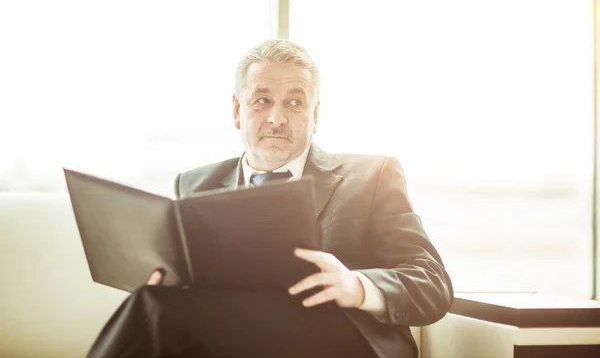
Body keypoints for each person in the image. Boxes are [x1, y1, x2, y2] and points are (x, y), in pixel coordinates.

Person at [87, 39, 453, 358]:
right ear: (237, 110)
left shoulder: (372, 177)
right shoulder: (196, 183)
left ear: (315, 114)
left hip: (339, 340)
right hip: (230, 340)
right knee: (159, 304)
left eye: (295, 103)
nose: (277, 117)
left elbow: (432, 282)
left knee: (155, 310)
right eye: (262, 100)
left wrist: (354, 286)